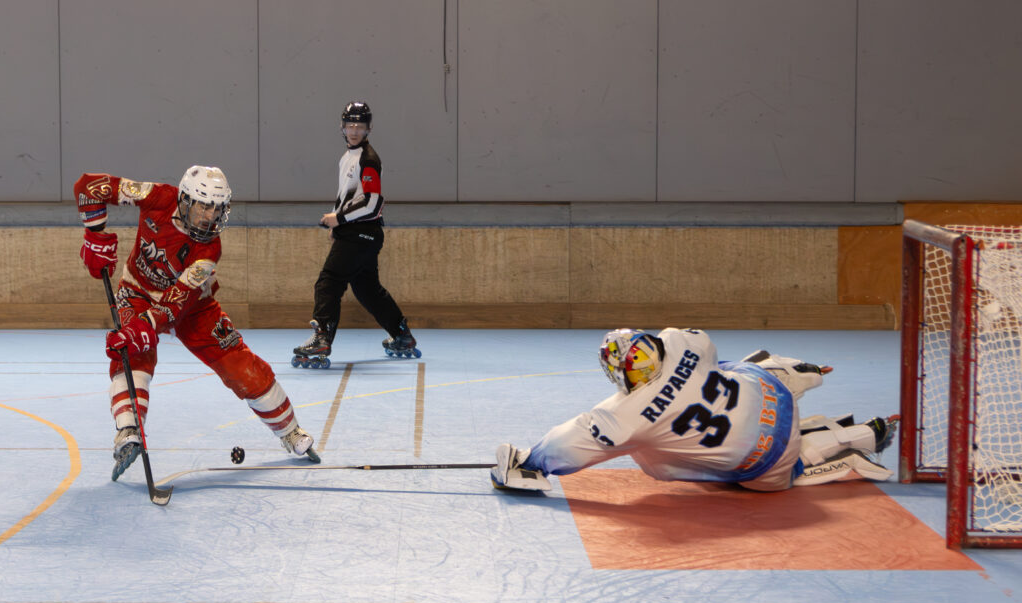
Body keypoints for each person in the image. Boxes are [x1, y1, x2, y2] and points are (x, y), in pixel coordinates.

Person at [75, 166, 319, 481]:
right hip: (136, 291)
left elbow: (178, 300)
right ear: (185, 199)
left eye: (218, 208)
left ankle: (289, 430)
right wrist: (95, 234)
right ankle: (128, 431)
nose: (210, 216)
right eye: (204, 205)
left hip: (194, 307)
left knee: (238, 363)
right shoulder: (157, 196)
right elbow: (88, 185)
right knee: (133, 356)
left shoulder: (209, 249)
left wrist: (143, 327)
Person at [490, 327, 899, 492]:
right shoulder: (684, 341)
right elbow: (704, 355)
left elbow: (560, 448)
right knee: (741, 367)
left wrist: (527, 462)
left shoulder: (619, 416)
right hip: (775, 395)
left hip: (765, 465)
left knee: (652, 458)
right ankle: (807, 373)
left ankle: (855, 439)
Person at [292, 100, 419, 367]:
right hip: (359, 234)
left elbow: (373, 202)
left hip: (362, 232)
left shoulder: (368, 158)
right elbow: (347, 196)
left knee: (329, 281)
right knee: (368, 290)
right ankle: (401, 335)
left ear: (369, 128)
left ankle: (322, 338)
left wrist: (338, 219)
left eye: (360, 126)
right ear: (342, 126)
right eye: (350, 125)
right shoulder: (347, 157)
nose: (354, 130)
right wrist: (337, 224)